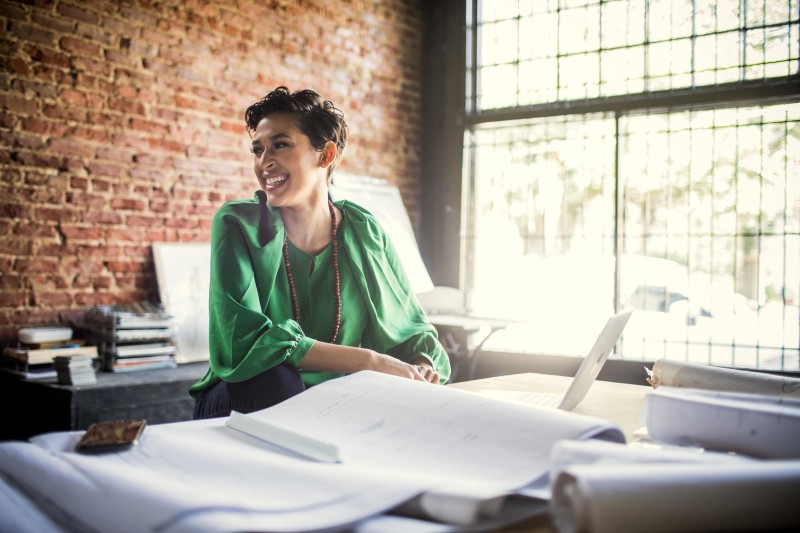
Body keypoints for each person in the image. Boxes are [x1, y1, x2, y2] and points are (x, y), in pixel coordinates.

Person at [190, 86, 451, 419]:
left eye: (280, 145)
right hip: (244, 396)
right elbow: (245, 340)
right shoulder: (238, 223)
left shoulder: (364, 231)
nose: (263, 162)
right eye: (258, 150)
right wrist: (368, 361)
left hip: (333, 404)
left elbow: (412, 331)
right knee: (278, 378)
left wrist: (420, 367)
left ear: (326, 155)